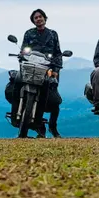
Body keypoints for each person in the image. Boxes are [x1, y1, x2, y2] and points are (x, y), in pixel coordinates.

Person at [20, 8, 64, 137]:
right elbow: (23, 51)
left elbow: (57, 53)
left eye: (40, 16)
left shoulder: (52, 34)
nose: (38, 19)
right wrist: (22, 56)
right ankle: (27, 120)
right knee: (17, 83)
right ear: (33, 21)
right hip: (31, 67)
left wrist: (56, 70)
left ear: (45, 18)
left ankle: (52, 126)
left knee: (53, 97)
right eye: (35, 18)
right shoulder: (28, 34)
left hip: (48, 69)